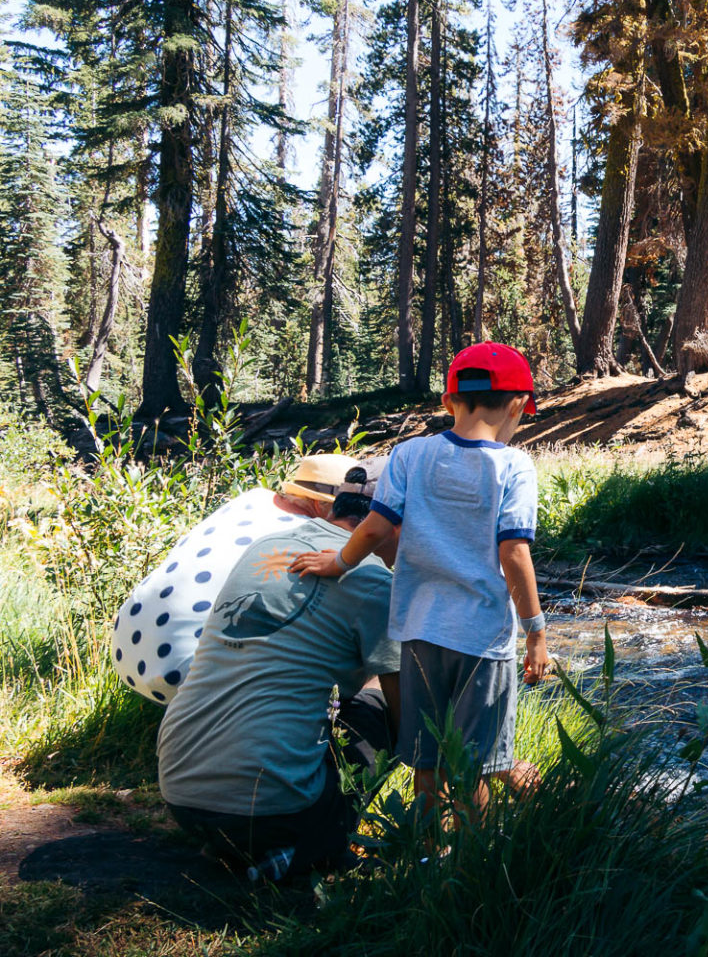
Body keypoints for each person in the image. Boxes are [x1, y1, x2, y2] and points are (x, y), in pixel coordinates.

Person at [290, 342, 549, 817]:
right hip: (481, 639)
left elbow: (375, 527)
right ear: (517, 405)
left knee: (426, 761)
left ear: (449, 402)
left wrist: (337, 564)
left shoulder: (409, 454)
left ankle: (424, 851)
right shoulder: (514, 466)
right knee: (476, 763)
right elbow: (513, 553)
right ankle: (474, 861)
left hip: (418, 631)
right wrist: (536, 634)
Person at [156, 460, 400, 881]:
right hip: (267, 811)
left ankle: (235, 843)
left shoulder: (264, 547)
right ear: (390, 523)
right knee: (379, 701)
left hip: (179, 795)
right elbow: (410, 715)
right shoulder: (376, 580)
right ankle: (309, 850)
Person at [111, 453, 359, 704]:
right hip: (190, 677)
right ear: (321, 505)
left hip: (126, 650)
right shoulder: (305, 535)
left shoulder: (254, 499)